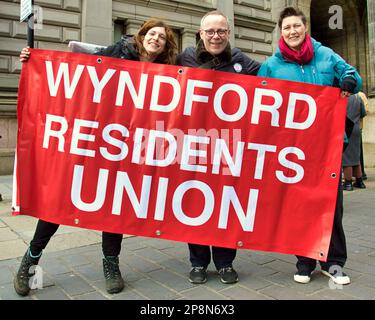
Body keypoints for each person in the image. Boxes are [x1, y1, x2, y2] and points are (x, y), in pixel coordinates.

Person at [15, 18, 177, 296]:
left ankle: (111, 263)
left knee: (114, 205)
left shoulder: (167, 72)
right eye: (152, 33)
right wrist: (35, 60)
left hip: (125, 148)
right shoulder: (118, 51)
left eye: (162, 37)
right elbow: (80, 69)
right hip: (94, 139)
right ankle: (30, 260)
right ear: (142, 36)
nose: (156, 39)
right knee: (62, 198)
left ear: (166, 46)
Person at [258, 7, 362, 285]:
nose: (292, 31)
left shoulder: (327, 55)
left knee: (332, 206)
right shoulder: (271, 65)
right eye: (287, 27)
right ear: (281, 32)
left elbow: (352, 75)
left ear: (305, 28)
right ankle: (304, 260)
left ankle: (333, 262)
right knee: (298, 206)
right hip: (291, 150)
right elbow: (260, 102)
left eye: (296, 26)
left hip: (327, 146)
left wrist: (351, 80)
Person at [177, 10, 261, 285]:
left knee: (225, 203)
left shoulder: (241, 61)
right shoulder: (185, 57)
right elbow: (144, 67)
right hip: (194, 146)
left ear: (228, 33)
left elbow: (276, 82)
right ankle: (198, 263)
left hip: (228, 149)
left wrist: (328, 90)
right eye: (210, 31)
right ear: (201, 33)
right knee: (195, 203)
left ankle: (225, 263)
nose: (216, 36)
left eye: (221, 31)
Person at [342, 93, 367, 191]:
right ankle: (359, 181)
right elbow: (363, 113)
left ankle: (348, 183)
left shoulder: (342, 96)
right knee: (356, 156)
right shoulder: (358, 97)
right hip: (356, 128)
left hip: (346, 128)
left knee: (346, 157)